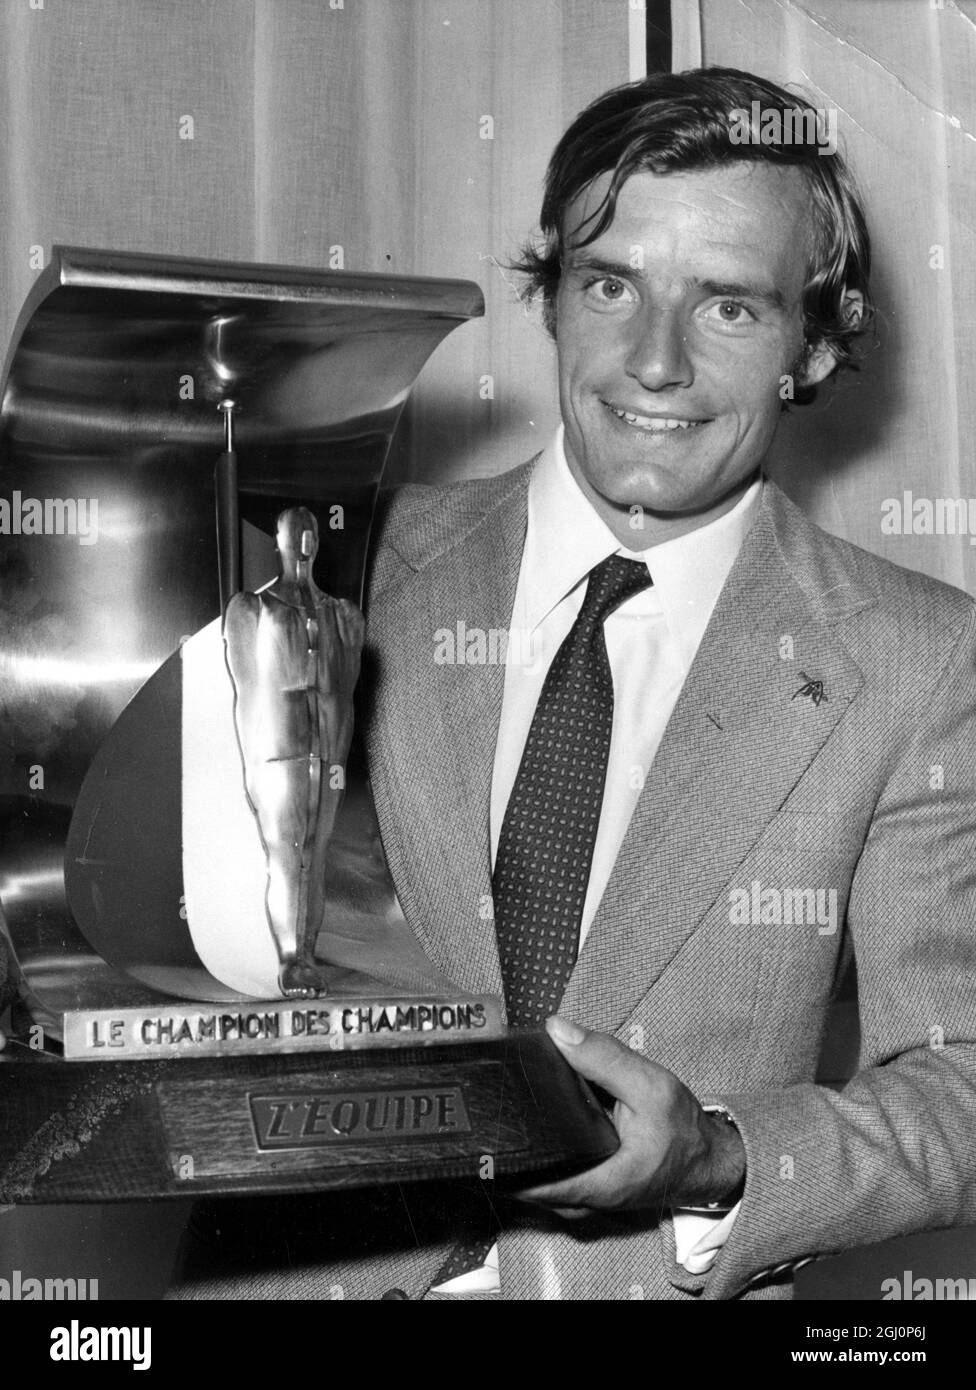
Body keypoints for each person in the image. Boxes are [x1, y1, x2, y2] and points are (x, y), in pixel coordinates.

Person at [174, 66, 976, 1301]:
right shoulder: (328, 572)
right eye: (611, 285)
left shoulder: (921, 661)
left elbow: (959, 1085)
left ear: (812, 346)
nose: (653, 363)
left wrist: (715, 1157)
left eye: (728, 308)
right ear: (548, 298)